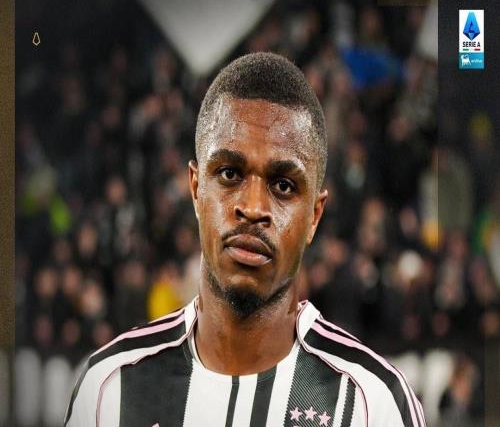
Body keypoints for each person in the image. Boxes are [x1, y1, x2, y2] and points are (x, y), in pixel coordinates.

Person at [64, 53, 426, 427]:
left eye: (283, 185)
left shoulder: (374, 405)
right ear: (195, 190)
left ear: (314, 216)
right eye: (229, 174)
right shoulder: (109, 389)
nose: (253, 208)